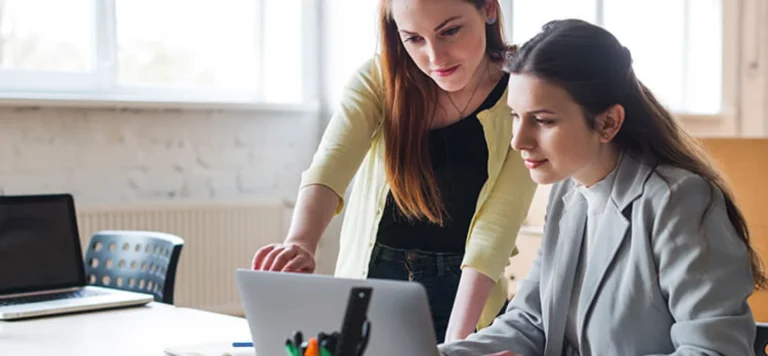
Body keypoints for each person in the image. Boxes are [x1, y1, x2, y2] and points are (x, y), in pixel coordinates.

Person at [438, 19, 766, 356]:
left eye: (543, 120)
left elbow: (716, 351)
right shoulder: (569, 191)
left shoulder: (679, 201)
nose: (518, 140)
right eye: (515, 117)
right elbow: (531, 320)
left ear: (608, 122)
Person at [251, 0, 538, 344]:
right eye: (414, 38)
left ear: (489, 9)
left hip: (468, 289)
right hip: (375, 276)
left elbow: (496, 229)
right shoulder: (380, 77)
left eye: (450, 31)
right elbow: (332, 163)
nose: (436, 57)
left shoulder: (524, 93)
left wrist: (459, 340)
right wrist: (300, 242)